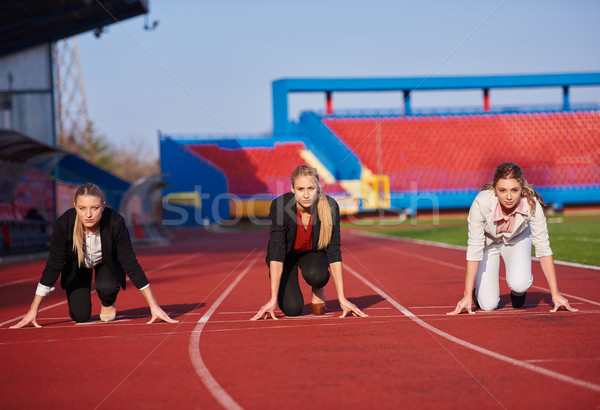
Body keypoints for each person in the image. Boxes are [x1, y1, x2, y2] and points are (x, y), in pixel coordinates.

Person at [11, 183, 178, 328]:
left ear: (103, 206)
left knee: (106, 287)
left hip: (106, 262)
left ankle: (107, 302)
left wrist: (153, 306)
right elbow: (53, 265)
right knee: (80, 316)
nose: (88, 215)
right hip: (77, 266)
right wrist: (33, 311)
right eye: (82, 208)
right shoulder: (64, 224)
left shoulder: (115, 222)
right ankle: (82, 303)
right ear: (75, 206)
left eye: (94, 208)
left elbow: (130, 263)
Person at [448, 162, 578, 315]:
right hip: (489, 244)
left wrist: (555, 294)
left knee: (520, 284)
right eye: (502, 190)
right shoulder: (480, 204)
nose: (509, 197)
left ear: (522, 188)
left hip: (517, 240)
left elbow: (543, 248)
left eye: (514, 190)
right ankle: (479, 294)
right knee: (488, 305)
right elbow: (474, 250)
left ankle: (518, 293)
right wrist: (467, 295)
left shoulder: (532, 204)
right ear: (494, 189)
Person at [251, 165, 367, 320]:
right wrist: (272, 299)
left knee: (317, 276)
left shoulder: (330, 206)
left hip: (312, 252)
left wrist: (342, 298)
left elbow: (334, 252)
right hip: (286, 257)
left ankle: (317, 287)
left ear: (318, 188)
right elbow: (277, 252)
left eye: (311, 188)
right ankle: (285, 295)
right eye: (300, 189)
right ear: (292, 189)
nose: (306, 195)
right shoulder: (279, 206)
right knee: (292, 309)